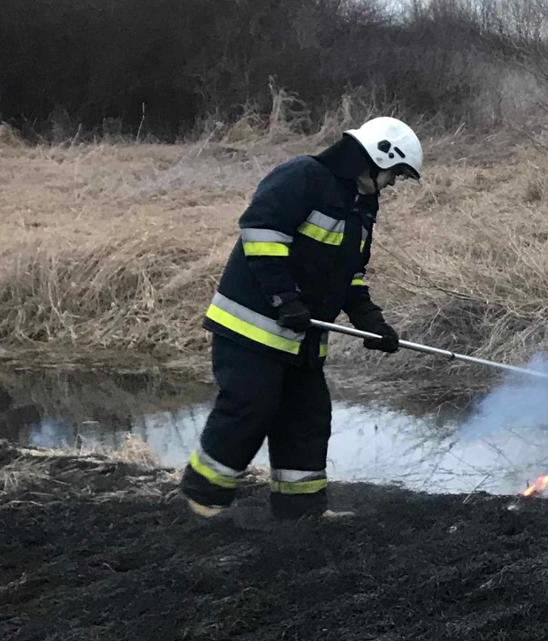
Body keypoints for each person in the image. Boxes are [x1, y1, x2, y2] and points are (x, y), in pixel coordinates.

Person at [178, 117, 422, 520]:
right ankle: (202, 499)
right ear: (378, 157)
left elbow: (350, 275)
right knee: (250, 407)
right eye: (395, 173)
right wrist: (284, 298)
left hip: (302, 337)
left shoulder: (361, 208)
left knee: (307, 417)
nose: (394, 184)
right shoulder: (304, 176)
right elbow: (261, 231)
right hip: (251, 328)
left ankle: (302, 511)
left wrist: (371, 322)